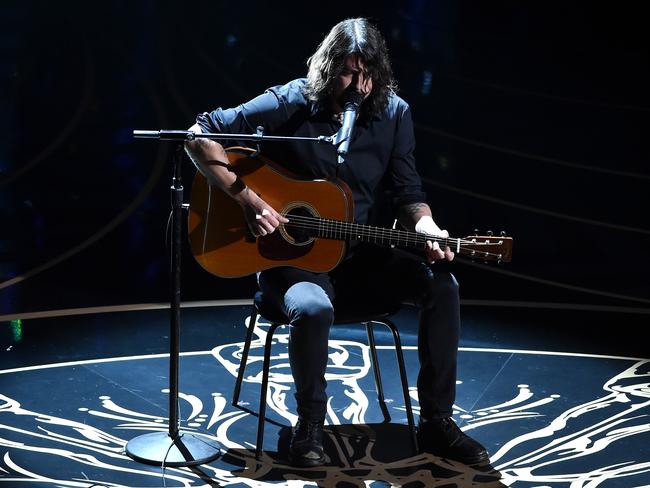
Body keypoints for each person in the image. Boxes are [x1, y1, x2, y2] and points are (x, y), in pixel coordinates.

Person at [185, 18, 489, 467]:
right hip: (288, 261)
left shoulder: (394, 113)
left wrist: (427, 228)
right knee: (313, 307)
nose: (358, 85)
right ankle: (309, 426)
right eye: (348, 72)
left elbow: (409, 195)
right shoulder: (290, 102)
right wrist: (248, 200)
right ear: (328, 68)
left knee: (442, 285)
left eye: (368, 73)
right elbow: (200, 133)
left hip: (358, 259)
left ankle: (437, 423)